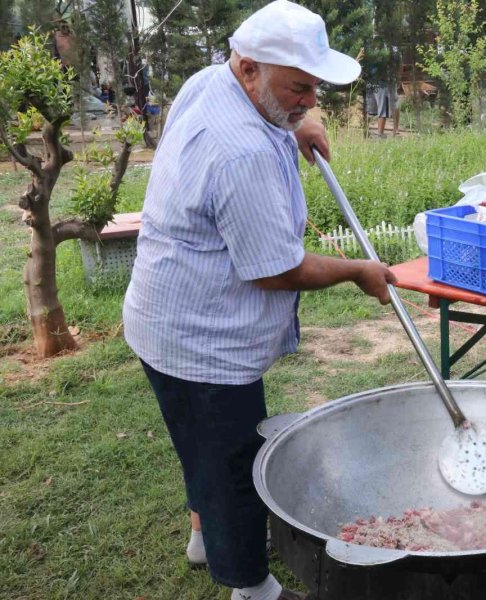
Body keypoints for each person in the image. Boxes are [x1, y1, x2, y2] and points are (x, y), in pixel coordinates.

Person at [122, 2, 396, 599]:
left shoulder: (212, 80)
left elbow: (267, 111)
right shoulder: (240, 152)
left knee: (201, 446)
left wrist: (295, 121)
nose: (309, 100)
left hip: (163, 314)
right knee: (232, 465)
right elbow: (277, 270)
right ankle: (252, 587)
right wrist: (358, 271)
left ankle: (205, 537)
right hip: (202, 339)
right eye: (299, 89)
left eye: (314, 88)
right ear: (250, 68)